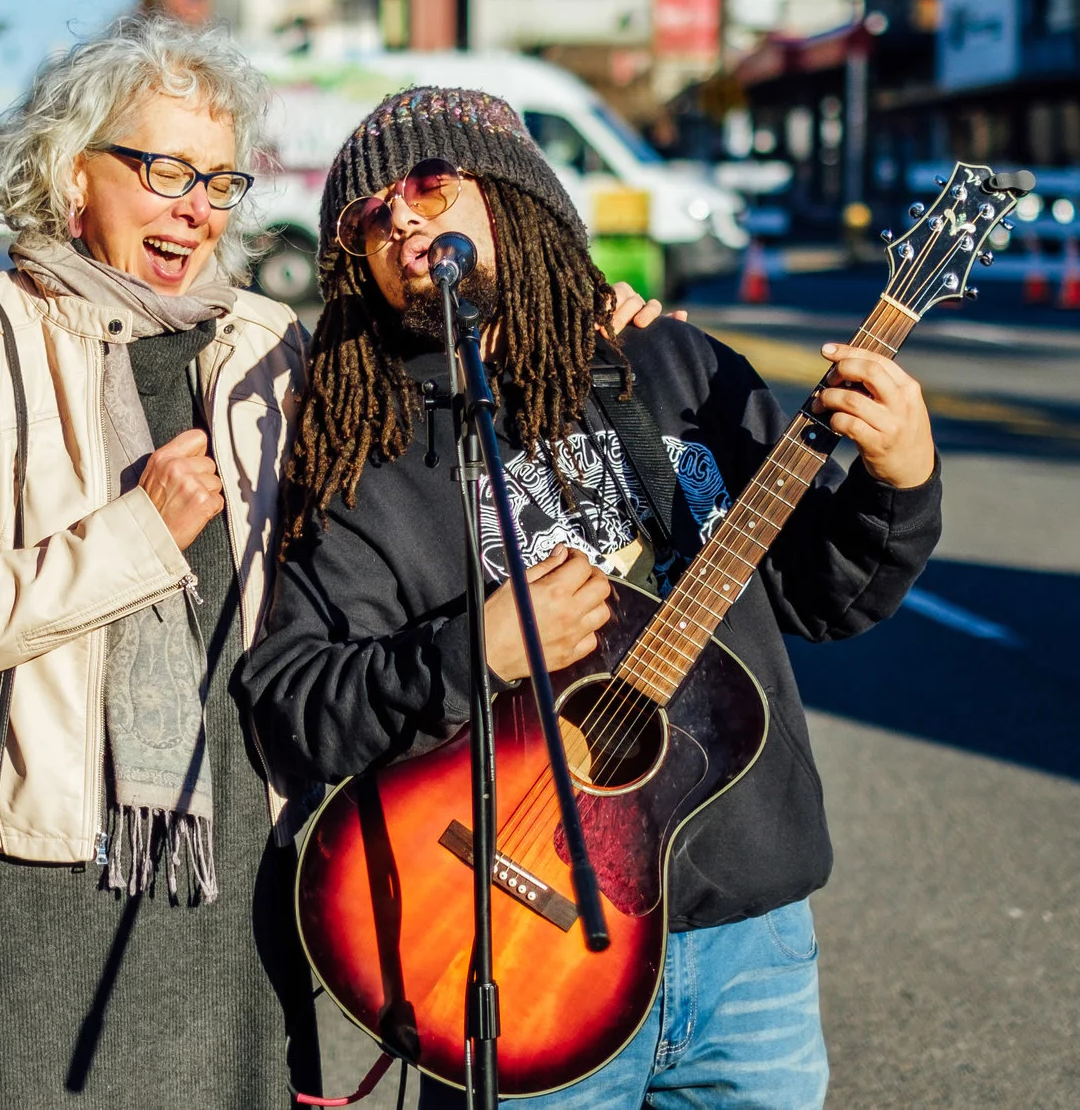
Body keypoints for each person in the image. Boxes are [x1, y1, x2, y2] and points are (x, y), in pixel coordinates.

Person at [234, 86, 945, 1110]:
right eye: (367, 218)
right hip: (522, 955)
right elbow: (293, 701)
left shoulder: (678, 367)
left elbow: (825, 597)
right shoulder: (368, 451)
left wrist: (900, 478)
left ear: (515, 196)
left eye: (430, 182)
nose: (401, 217)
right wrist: (466, 652)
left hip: (747, 938)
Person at [0, 13, 319, 1106]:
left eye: (218, 179)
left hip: (236, 849)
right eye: (162, 168)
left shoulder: (263, 341)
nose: (195, 205)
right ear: (72, 171)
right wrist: (137, 537)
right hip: (37, 858)